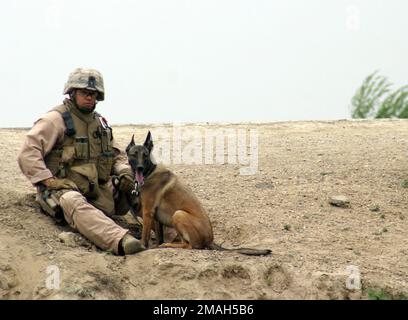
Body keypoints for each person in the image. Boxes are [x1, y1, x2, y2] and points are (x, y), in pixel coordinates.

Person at [17, 68, 145, 255]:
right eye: (85, 93)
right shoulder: (55, 120)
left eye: (93, 94)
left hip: (98, 191)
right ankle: (121, 240)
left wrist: (124, 172)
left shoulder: (100, 123)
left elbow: (117, 154)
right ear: (72, 92)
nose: (89, 98)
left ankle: (174, 233)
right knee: (71, 200)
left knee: (138, 188)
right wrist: (48, 180)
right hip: (63, 190)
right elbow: (28, 153)